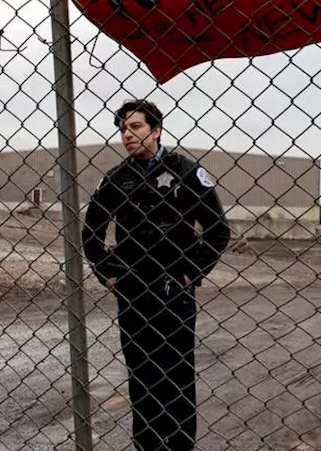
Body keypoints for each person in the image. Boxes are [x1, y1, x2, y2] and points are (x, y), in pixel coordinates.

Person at [82, 99, 230, 451]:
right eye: (122, 129)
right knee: (141, 372)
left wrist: (191, 273)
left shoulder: (186, 172)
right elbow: (91, 233)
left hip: (175, 289)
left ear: (157, 129)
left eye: (135, 127)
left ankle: (180, 444)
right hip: (133, 289)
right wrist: (110, 275)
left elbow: (217, 230)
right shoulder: (117, 179)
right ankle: (146, 443)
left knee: (177, 371)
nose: (127, 135)